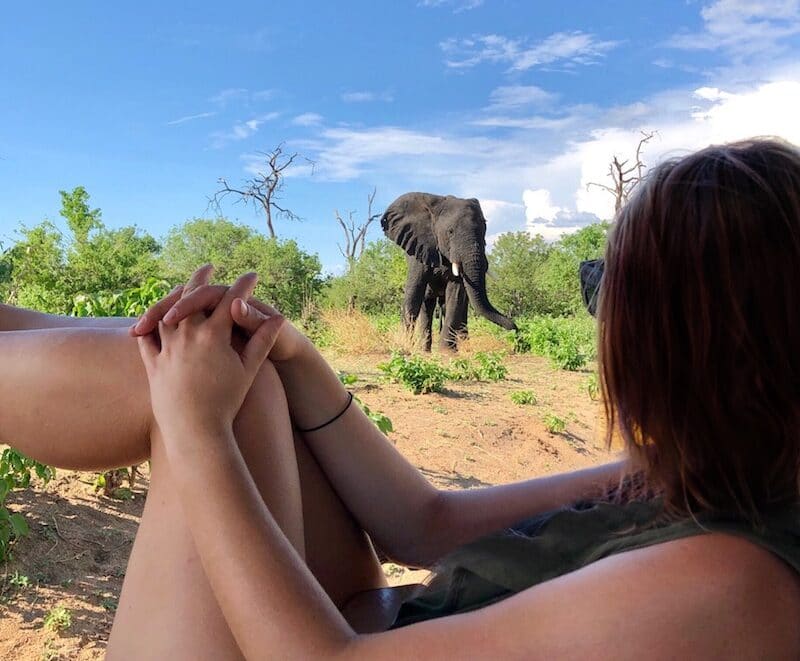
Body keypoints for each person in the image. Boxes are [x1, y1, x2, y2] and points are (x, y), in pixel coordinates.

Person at [3, 138, 800, 658]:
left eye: (617, 300)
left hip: (323, 642)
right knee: (252, 366)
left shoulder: (735, 585)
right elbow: (425, 523)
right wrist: (300, 356)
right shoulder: (701, 478)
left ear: (689, 351)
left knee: (223, 394)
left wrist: (198, 430)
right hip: (354, 611)